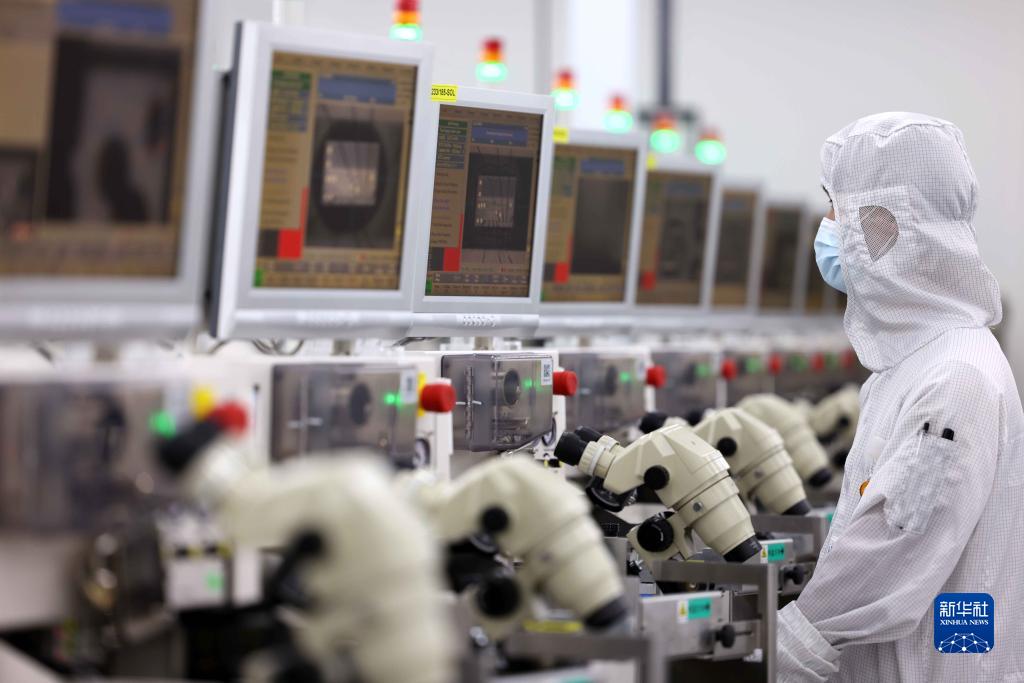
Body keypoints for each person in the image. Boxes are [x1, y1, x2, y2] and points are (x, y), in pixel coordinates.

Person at [777, 112, 1024, 681]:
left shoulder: (954, 376)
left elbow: (896, 543)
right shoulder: (921, 362)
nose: (828, 226)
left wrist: (792, 644)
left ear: (884, 223)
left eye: (836, 207)